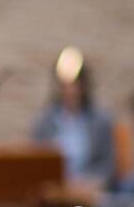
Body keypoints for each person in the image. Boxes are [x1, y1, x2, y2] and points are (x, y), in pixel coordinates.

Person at [30, 51, 116, 183]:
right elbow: (35, 161)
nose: (70, 90)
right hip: (54, 190)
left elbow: (107, 166)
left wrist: (90, 182)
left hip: (87, 190)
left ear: (84, 85)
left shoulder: (101, 121)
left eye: (75, 84)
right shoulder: (44, 121)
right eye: (65, 85)